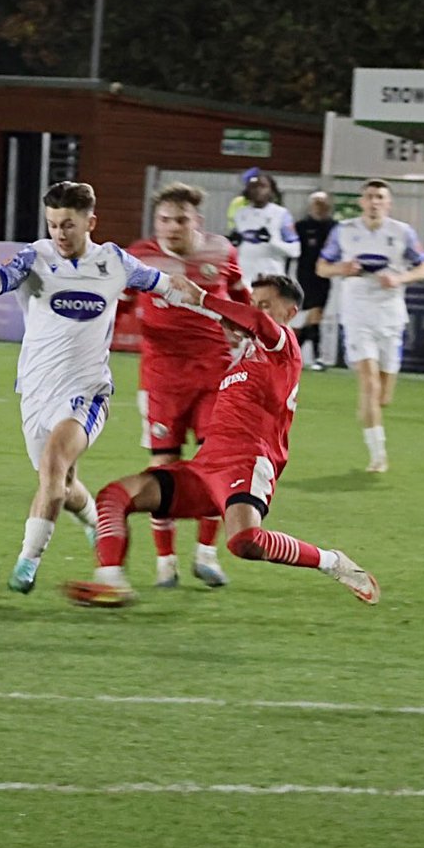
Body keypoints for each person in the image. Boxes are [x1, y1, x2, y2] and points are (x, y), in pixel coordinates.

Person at [64, 274, 379, 608]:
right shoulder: (244, 356)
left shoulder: (283, 346)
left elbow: (256, 322)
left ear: (290, 312)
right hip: (205, 468)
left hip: (248, 461)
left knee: (245, 542)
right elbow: (244, 324)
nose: (258, 311)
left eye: (267, 305)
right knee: (115, 495)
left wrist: (203, 298)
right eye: (255, 304)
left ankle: (333, 562)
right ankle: (110, 582)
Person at [0, 180, 185, 595]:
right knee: (61, 487)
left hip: (85, 393)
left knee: (52, 470)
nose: (59, 234)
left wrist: (204, 301)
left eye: (68, 224)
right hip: (34, 391)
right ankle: (95, 522)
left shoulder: (115, 262)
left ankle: (26, 564)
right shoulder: (35, 256)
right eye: (53, 225)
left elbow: (163, 284)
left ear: (90, 222)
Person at [125, 182, 251, 588]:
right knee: (164, 468)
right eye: (164, 219)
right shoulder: (138, 257)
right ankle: (166, 563)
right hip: (162, 380)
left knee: (213, 465)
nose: (171, 227)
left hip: (215, 375)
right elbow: (116, 304)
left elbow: (241, 299)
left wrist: (248, 330)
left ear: (196, 220)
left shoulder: (221, 252)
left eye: (180, 220)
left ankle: (207, 555)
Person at [316, 179, 424, 474]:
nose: (374, 201)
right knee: (368, 383)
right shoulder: (344, 231)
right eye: (369, 196)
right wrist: (342, 269)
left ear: (388, 203)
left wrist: (399, 279)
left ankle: (371, 413)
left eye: (380, 197)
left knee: (382, 397)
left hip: (390, 315)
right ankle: (378, 456)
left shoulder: (402, 232)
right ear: (361, 202)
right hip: (356, 314)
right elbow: (321, 267)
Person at [229, 171, 301, 286]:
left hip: (271, 278)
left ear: (271, 190)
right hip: (244, 279)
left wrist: (272, 241)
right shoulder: (240, 214)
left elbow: (295, 251)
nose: (257, 190)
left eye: (262, 186)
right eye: (253, 187)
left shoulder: (281, 214)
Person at [294, 190, 336, 369]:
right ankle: (313, 355)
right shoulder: (301, 226)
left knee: (315, 314)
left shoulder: (334, 227)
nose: (319, 208)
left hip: (325, 277)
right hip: (304, 276)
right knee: (312, 314)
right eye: (316, 203)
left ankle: (295, 351)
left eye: (323, 204)